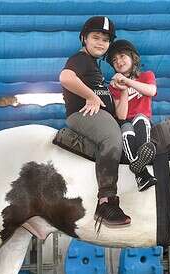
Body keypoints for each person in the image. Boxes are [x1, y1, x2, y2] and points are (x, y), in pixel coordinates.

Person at [59, 16, 131, 228]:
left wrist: (124, 92)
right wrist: (90, 96)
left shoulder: (94, 67)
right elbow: (65, 77)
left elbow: (121, 114)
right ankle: (105, 201)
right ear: (84, 38)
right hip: (83, 114)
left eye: (105, 40)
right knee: (111, 137)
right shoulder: (80, 59)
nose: (101, 43)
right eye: (96, 37)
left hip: (104, 116)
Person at [106, 39, 158, 191]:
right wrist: (122, 90)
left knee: (140, 119)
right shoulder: (114, 86)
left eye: (122, 56)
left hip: (143, 123)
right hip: (126, 123)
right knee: (126, 127)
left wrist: (127, 82)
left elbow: (151, 91)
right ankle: (141, 172)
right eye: (114, 60)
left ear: (132, 57)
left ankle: (139, 170)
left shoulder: (146, 75)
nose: (119, 61)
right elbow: (121, 115)